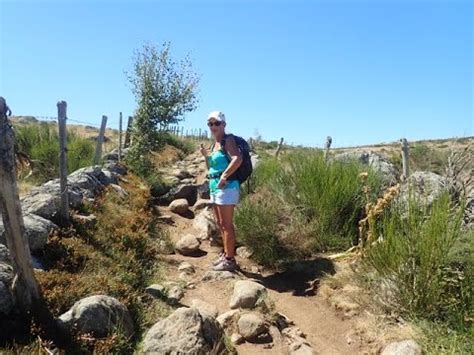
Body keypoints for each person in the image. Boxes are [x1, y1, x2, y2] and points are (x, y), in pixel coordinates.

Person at [200, 111, 242, 271]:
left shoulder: (228, 139)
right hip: (215, 186)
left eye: (216, 123)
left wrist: (224, 176)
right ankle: (226, 254)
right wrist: (206, 156)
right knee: (220, 223)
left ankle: (230, 260)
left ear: (223, 124)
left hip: (227, 187)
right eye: (210, 124)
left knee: (227, 224)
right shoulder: (215, 144)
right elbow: (211, 167)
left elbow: (237, 158)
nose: (213, 126)